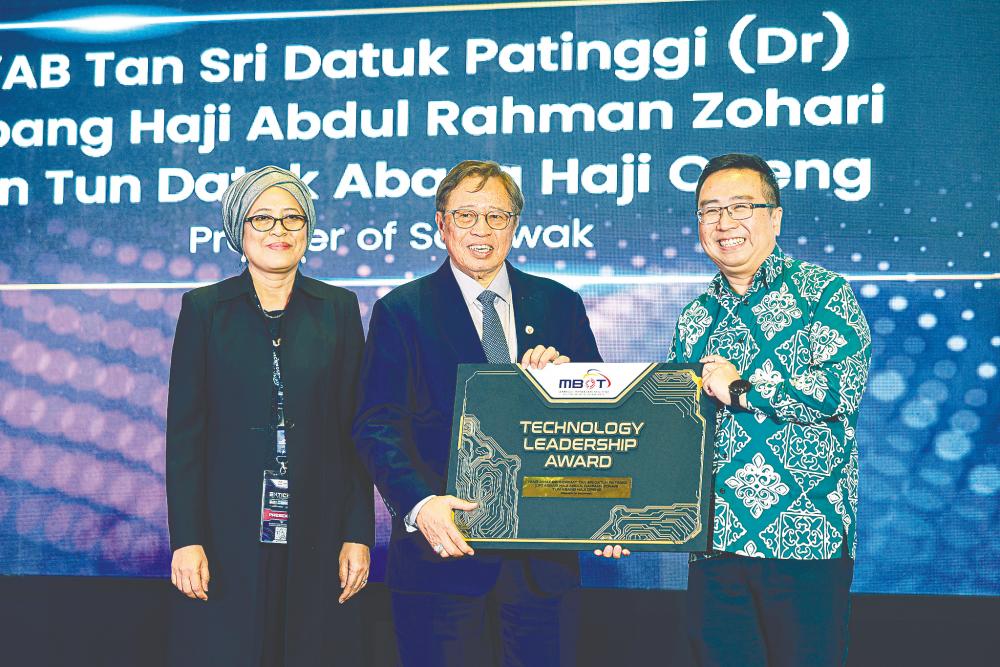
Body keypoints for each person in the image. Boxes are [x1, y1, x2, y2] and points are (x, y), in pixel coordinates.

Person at [353, 160, 611, 665]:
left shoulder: (560, 304)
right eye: (466, 215)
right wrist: (421, 504)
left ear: (515, 225)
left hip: (543, 565)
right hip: (442, 558)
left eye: (497, 217)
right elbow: (377, 424)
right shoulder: (402, 310)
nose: (482, 230)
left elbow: (600, 417)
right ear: (442, 224)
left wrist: (567, 380)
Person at [165, 166, 374, 666]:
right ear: (239, 229)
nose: (278, 231)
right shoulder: (204, 309)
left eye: (292, 219)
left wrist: (358, 533)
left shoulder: (338, 308)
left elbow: (355, 433)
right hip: (227, 529)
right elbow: (185, 436)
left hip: (318, 529)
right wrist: (187, 538)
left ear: (308, 229)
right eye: (262, 219)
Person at [668, 153, 871, 666]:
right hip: (716, 543)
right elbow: (676, 428)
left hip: (805, 542)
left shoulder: (824, 293)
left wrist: (742, 388)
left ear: (775, 217)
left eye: (741, 206)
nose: (723, 223)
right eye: (709, 211)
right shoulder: (695, 315)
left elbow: (837, 390)